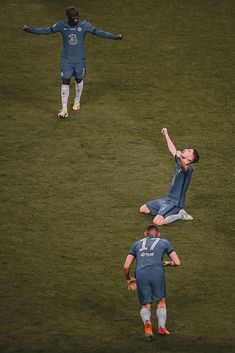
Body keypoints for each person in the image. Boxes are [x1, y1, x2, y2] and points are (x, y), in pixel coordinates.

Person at [23, 6, 123, 118]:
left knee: (79, 79)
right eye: (73, 16)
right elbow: (46, 30)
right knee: (65, 81)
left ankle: (77, 100)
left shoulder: (84, 25)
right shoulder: (61, 25)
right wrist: (29, 29)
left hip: (80, 60)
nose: (76, 18)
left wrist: (115, 37)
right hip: (66, 60)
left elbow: (99, 32)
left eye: (77, 15)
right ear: (68, 16)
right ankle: (64, 109)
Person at [123, 224, 180, 341]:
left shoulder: (136, 244)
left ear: (145, 234)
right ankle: (161, 328)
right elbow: (177, 262)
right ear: (158, 234)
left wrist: (129, 279)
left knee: (145, 305)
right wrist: (169, 263)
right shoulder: (164, 242)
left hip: (141, 274)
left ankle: (147, 323)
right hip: (157, 274)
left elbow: (126, 266)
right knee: (161, 301)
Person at [140, 128, 200, 225]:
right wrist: (166, 134)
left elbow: (183, 166)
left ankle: (180, 214)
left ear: (190, 158)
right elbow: (172, 149)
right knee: (143, 209)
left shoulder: (188, 169)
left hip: (175, 203)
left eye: (189, 150)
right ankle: (165, 211)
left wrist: (180, 156)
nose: (186, 149)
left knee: (157, 222)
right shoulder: (179, 161)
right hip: (168, 199)